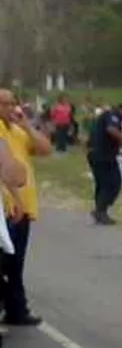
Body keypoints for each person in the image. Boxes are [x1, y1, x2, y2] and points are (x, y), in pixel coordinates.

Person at [0, 89, 53, 327]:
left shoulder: (18, 131)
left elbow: (45, 149)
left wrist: (28, 126)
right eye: (6, 104)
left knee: (15, 263)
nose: (12, 108)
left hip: (23, 207)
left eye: (14, 104)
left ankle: (16, 309)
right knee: (4, 262)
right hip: (5, 208)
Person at [86, 102, 122, 226]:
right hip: (103, 156)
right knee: (113, 183)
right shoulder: (114, 115)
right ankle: (100, 211)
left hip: (96, 153)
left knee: (102, 184)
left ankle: (100, 211)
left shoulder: (106, 115)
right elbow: (111, 130)